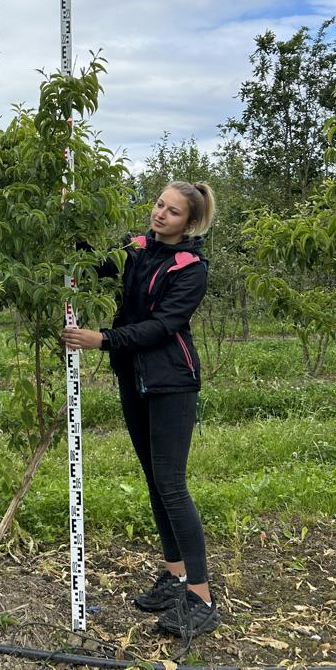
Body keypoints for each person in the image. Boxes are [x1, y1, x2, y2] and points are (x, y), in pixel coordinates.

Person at [61, 181, 220, 639]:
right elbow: (96, 266)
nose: (159, 215)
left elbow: (161, 326)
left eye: (171, 212)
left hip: (171, 381)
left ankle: (202, 595)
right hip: (133, 377)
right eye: (158, 205)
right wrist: (71, 231)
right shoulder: (136, 246)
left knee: (172, 483)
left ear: (188, 221)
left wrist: (103, 339)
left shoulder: (191, 267)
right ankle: (175, 576)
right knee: (154, 479)